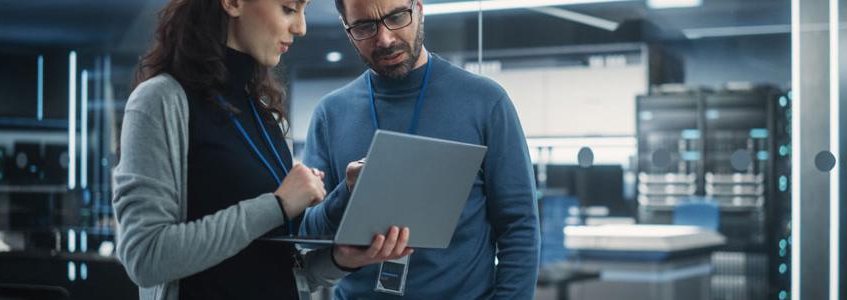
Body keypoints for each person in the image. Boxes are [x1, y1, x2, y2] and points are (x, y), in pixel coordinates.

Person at [112, 0, 412, 299]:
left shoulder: (263, 113)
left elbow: (280, 269)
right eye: (288, 8)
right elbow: (145, 257)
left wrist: (341, 259)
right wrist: (278, 205)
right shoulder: (159, 100)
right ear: (232, 3)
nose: (301, 27)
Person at [298, 0, 539, 298]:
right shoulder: (330, 114)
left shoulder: (486, 102)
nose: (384, 39)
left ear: (419, 8)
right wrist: (347, 193)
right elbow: (309, 232)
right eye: (364, 27)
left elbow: (519, 228)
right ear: (346, 29)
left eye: (397, 16)